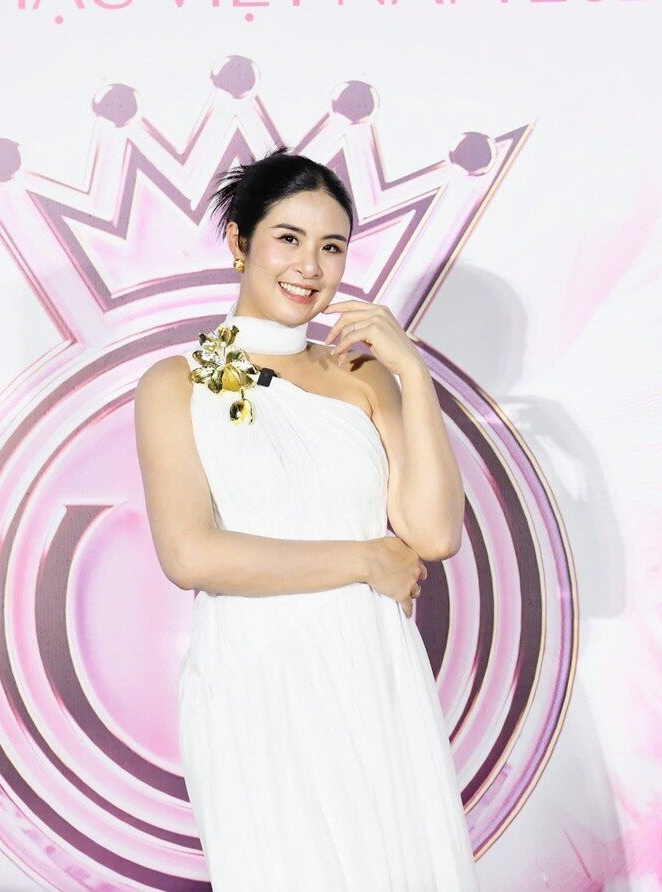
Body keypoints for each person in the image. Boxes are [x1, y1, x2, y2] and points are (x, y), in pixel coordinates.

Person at [134, 146, 478, 890]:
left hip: (375, 673)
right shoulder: (180, 381)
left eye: (332, 247)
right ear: (240, 242)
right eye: (288, 238)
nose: (310, 267)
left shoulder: (362, 376)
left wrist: (413, 373)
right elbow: (191, 555)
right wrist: (366, 558)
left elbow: (434, 533)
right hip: (258, 677)